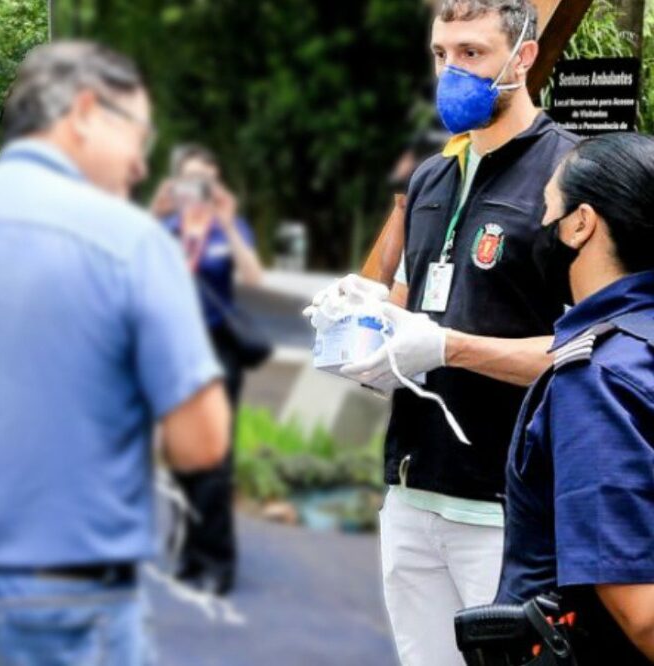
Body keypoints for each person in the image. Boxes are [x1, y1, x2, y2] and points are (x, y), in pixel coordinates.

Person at [0, 41, 230, 664]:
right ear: (84, 113)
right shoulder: (128, 241)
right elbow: (200, 441)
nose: (139, 165)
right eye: (135, 135)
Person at [308, 1, 578, 663]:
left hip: (508, 511)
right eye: (441, 54)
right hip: (412, 490)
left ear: (523, 58)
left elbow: (590, 352)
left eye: (472, 53)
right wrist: (358, 323)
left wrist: (451, 349)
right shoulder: (431, 177)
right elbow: (405, 313)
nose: (451, 71)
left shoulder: (572, 177)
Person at [492, 132, 654, 664]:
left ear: (580, 223)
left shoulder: (597, 378)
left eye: (547, 209)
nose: (539, 229)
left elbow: (643, 612)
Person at [150, 144, 263, 595]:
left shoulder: (227, 228)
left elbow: (252, 275)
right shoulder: (168, 227)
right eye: (190, 180)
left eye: (206, 180)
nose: (197, 189)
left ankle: (218, 561)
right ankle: (190, 553)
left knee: (214, 457)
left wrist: (227, 220)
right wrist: (156, 212)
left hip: (218, 347)